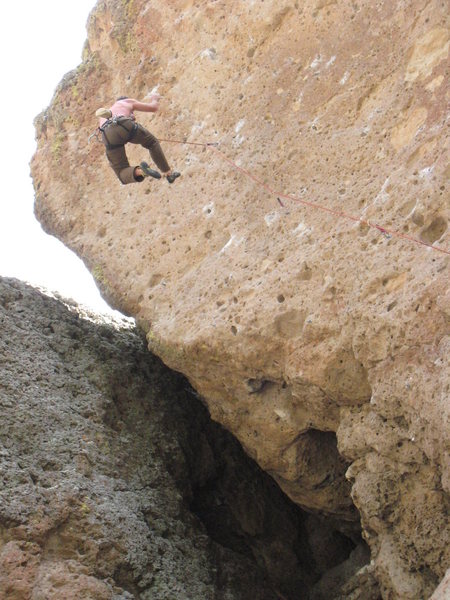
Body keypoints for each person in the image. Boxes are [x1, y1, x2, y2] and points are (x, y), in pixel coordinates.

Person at [97, 95, 180, 185]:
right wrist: (154, 99)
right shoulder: (127, 102)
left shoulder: (103, 117)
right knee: (152, 143)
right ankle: (168, 173)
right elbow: (153, 107)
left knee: (121, 172)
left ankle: (142, 172)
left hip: (107, 134)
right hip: (124, 124)